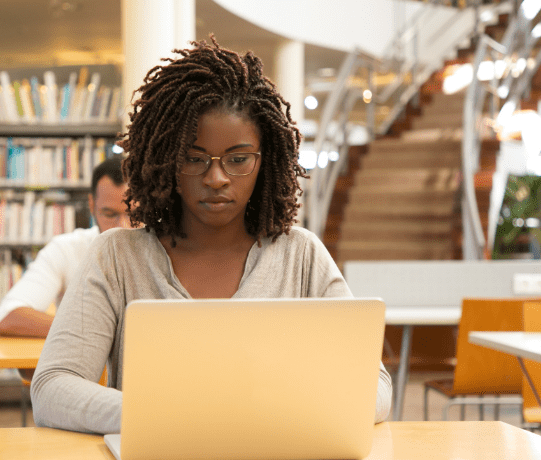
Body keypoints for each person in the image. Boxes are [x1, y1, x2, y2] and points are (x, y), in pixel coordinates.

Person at [31, 37, 392, 434]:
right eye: (193, 158)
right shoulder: (117, 257)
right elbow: (52, 388)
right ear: (165, 158)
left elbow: (374, 386)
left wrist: (282, 411)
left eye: (238, 159)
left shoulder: (301, 255)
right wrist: (174, 417)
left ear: (265, 160)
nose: (216, 177)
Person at [0, 156, 130, 338]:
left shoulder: (166, 249)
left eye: (133, 214)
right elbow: (7, 318)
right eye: (109, 214)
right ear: (91, 205)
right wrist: (98, 334)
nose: (121, 226)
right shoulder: (67, 249)